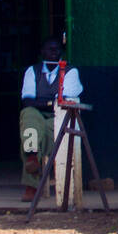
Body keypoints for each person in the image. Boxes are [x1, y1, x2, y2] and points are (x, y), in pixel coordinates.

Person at [19, 37, 83, 201]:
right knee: (29, 118)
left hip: (58, 116)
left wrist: (44, 102)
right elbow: (27, 100)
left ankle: (31, 185)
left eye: (56, 49)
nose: (53, 52)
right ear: (42, 52)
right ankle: (32, 156)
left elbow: (63, 102)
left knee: (42, 133)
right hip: (37, 115)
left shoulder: (70, 71)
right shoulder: (32, 71)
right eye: (49, 49)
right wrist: (50, 102)